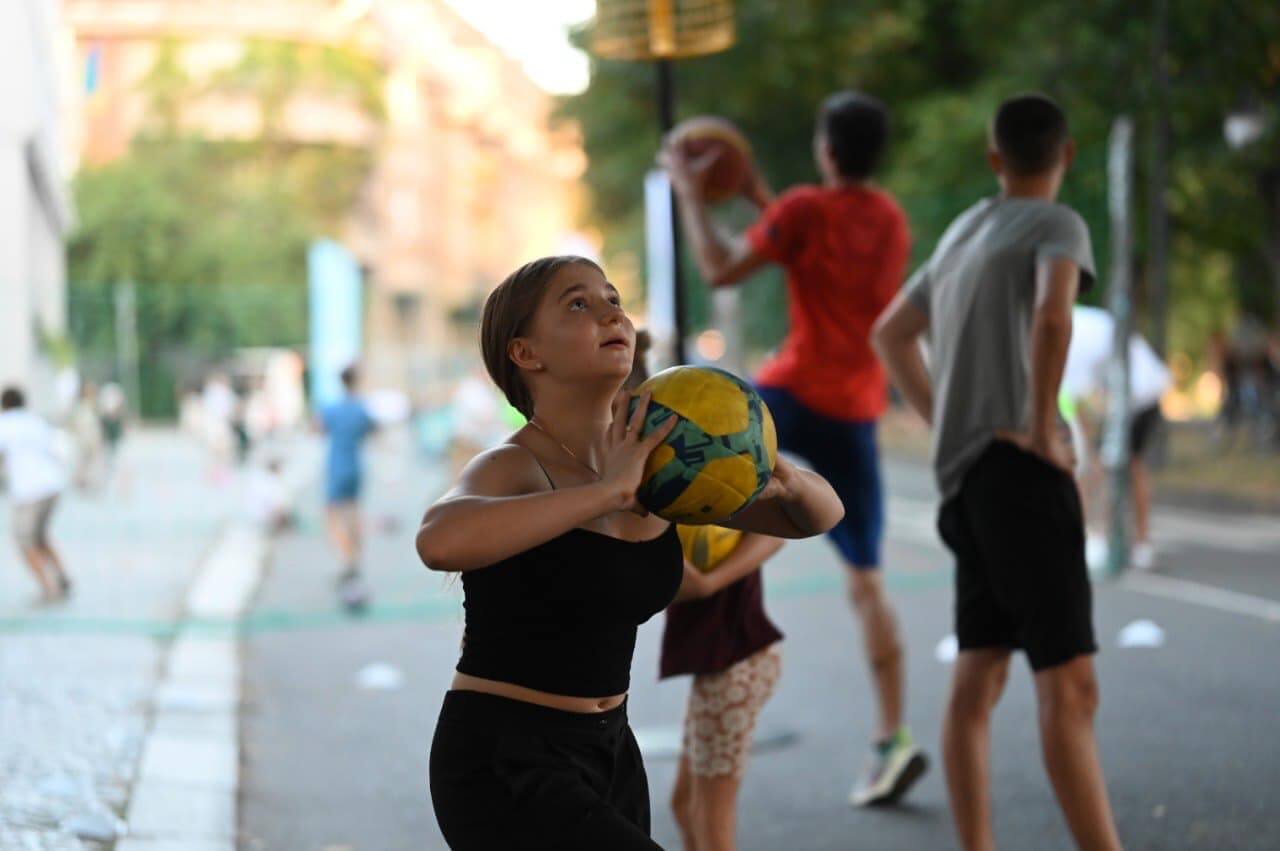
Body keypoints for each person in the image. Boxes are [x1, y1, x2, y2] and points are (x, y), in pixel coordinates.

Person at [416, 255, 843, 850]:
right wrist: (607, 493)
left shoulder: (656, 467)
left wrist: (780, 476)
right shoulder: (517, 465)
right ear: (526, 353)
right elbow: (437, 541)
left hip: (610, 749)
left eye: (612, 298)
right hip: (505, 759)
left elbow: (818, 516)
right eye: (578, 303)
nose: (611, 313)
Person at [873, 93, 1123, 851]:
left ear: (994, 159)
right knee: (1070, 685)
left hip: (969, 480)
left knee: (978, 675)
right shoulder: (1058, 223)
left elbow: (891, 334)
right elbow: (1054, 313)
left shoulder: (962, 232)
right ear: (1066, 154)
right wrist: (1043, 425)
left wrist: (944, 418)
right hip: (1021, 473)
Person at [663, 90, 925, 806]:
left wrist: (690, 195)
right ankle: (893, 737)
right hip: (856, 408)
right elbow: (819, 246)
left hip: (791, 394)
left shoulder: (805, 209)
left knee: (699, 478)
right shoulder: (889, 219)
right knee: (867, 580)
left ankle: (711, 633)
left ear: (825, 149)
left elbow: (720, 267)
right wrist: (757, 195)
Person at [627, 332, 785, 851]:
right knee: (684, 805)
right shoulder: (652, 487)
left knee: (711, 819)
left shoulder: (694, 474)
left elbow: (777, 530)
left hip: (737, 658)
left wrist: (710, 581)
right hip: (724, 661)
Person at [1061, 305, 1171, 571]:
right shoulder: (1075, 320)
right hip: (1141, 390)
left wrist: (1085, 454)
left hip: (1136, 396)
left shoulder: (1065, 334)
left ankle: (1104, 538)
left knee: (1111, 465)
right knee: (1125, 464)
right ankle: (1134, 542)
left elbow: (1080, 406)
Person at [0, 387, 72, 602]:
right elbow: (58, 449)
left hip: (29, 491)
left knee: (24, 541)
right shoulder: (36, 421)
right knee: (40, 536)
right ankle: (62, 576)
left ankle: (49, 588)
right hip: (52, 485)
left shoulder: (5, 424)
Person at [319, 365, 377, 610]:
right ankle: (355, 559)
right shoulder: (361, 408)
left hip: (336, 464)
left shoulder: (331, 408)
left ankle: (345, 560)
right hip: (355, 465)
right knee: (353, 512)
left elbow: (319, 428)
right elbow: (372, 430)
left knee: (332, 516)